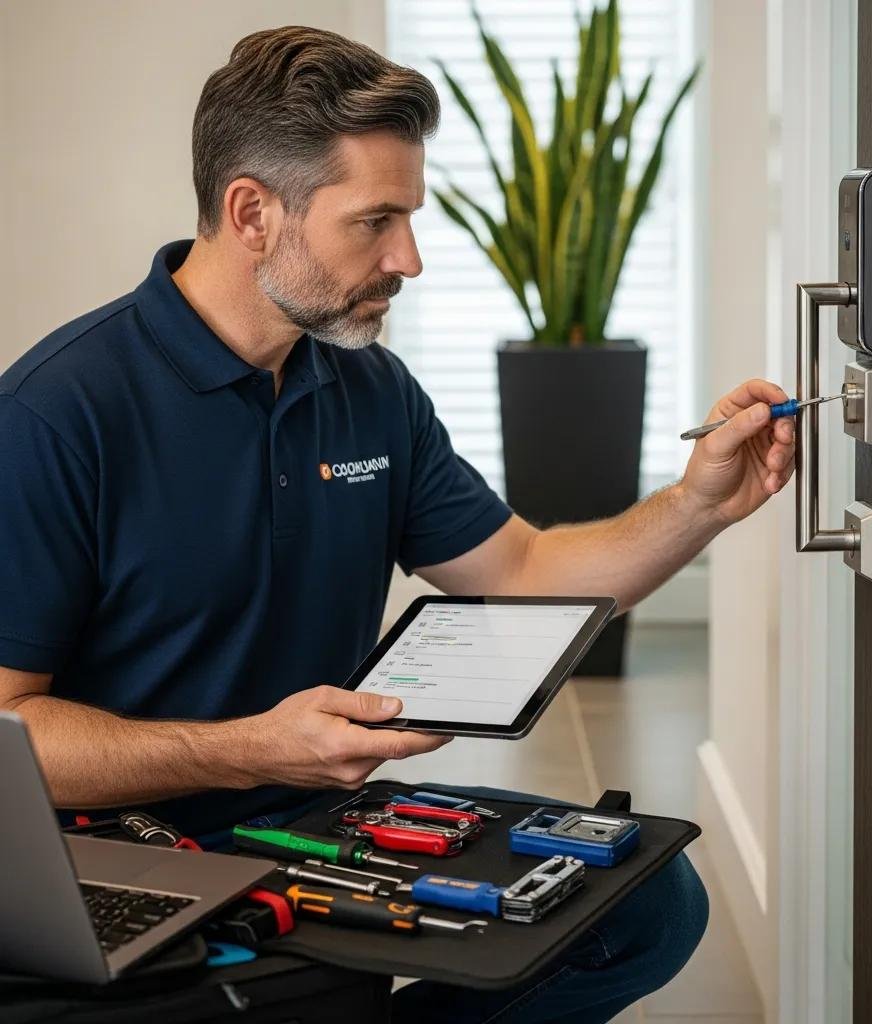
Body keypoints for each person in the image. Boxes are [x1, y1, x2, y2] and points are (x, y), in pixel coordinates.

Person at [0, 26, 795, 1022]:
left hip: (312, 817)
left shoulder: (369, 389)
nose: (407, 258)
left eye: (408, 219)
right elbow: (9, 724)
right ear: (251, 212)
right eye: (375, 222)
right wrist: (249, 748)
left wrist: (700, 504)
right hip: (117, 850)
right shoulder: (56, 413)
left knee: (647, 907)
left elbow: (525, 567)